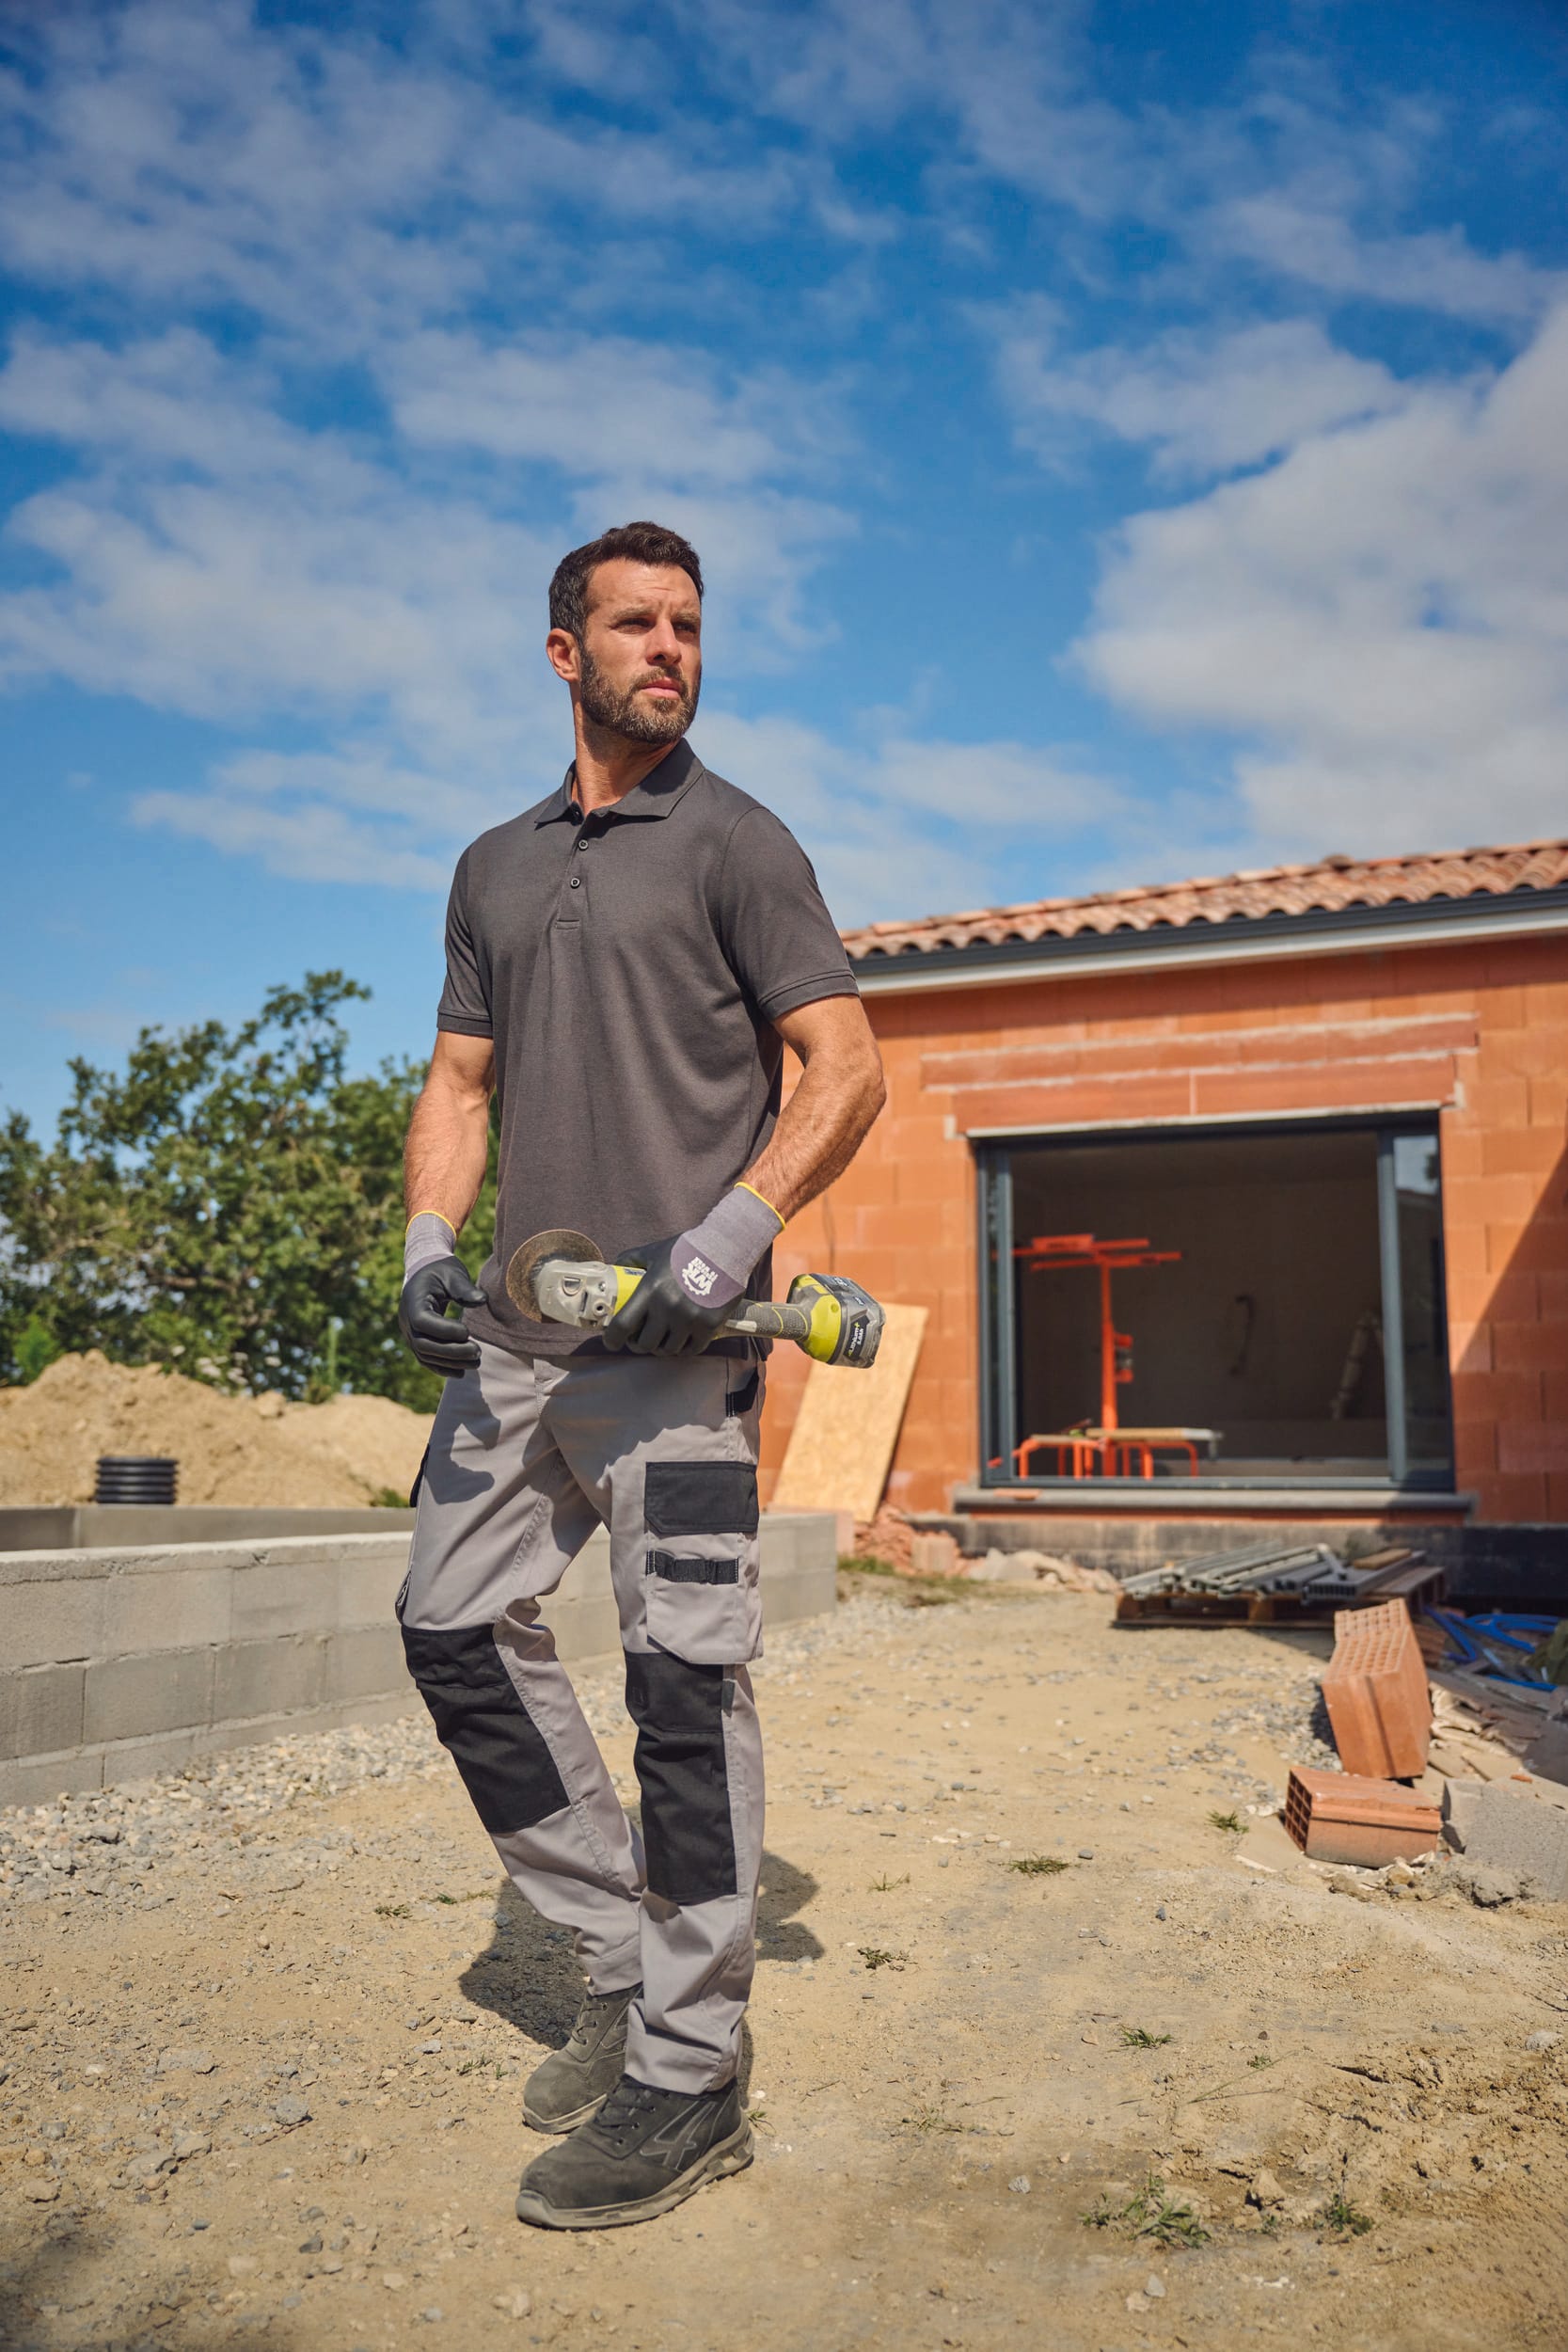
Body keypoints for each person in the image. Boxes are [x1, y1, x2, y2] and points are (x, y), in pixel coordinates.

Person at [395, 519, 885, 2230]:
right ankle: (612, 1942)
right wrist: (425, 1245)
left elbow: (847, 1068)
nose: (669, 647)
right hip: (521, 1341)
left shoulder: (741, 846)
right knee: (451, 1626)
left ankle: (692, 2064)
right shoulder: (495, 866)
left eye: (689, 625)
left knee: (683, 1693)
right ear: (563, 652)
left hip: (679, 1362)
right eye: (636, 624)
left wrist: (731, 1240)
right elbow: (460, 1083)